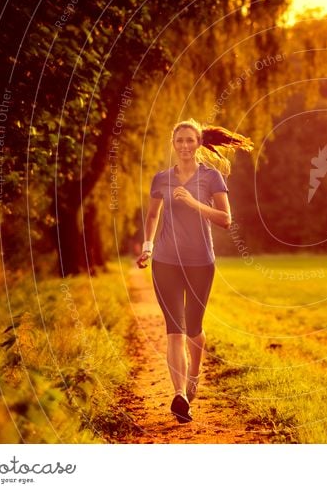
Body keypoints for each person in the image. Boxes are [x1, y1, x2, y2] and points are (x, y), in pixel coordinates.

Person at [136, 118, 253, 423]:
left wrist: (193, 203)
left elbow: (226, 219)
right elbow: (151, 215)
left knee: (193, 329)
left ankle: (195, 373)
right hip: (165, 261)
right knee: (174, 330)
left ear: (199, 143)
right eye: (180, 141)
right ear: (173, 145)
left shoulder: (211, 177)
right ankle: (179, 395)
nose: (185, 146)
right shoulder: (161, 179)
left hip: (201, 262)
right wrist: (147, 246)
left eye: (190, 140)